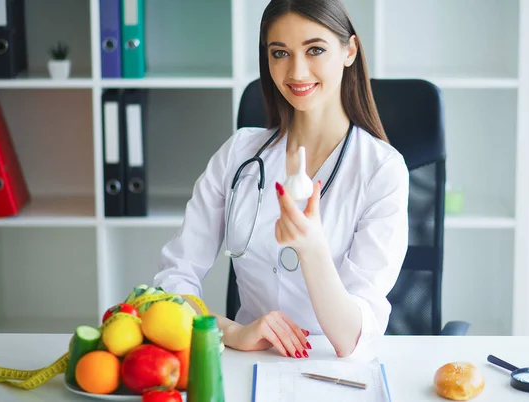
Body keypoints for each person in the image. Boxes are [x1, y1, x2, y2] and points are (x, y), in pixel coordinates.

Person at [153, 0, 409, 358]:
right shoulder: (239, 153)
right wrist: (231, 332)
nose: (297, 71)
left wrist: (312, 248)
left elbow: (351, 337)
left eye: (315, 49)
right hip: (249, 360)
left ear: (349, 50)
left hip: (334, 369)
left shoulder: (382, 169)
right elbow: (171, 285)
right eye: (280, 53)